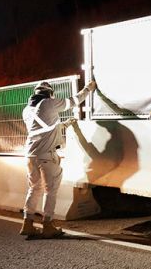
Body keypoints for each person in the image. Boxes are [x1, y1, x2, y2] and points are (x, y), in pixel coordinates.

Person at [20, 78, 96, 238]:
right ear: (49, 94)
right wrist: (88, 88)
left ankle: (27, 223)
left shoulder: (27, 110)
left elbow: (43, 129)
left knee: (34, 188)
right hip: (46, 156)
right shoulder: (49, 103)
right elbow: (74, 101)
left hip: (30, 156)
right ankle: (48, 224)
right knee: (50, 190)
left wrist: (64, 125)